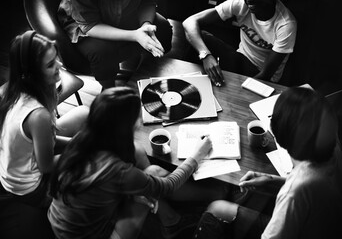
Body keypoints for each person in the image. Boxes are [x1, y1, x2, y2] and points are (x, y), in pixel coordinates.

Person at [48, 87, 229, 239]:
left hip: (63, 223)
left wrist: (134, 190)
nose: (140, 119)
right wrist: (197, 155)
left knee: (140, 157)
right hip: (90, 235)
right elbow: (166, 186)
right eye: (137, 116)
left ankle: (170, 220)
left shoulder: (84, 139)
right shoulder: (116, 171)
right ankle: (214, 195)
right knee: (154, 176)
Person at [192, 87, 342, 239]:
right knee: (250, 195)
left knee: (217, 209)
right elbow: (314, 186)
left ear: (280, 135)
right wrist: (270, 180)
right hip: (328, 223)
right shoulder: (331, 146)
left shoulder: (295, 190)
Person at [0, 31, 88, 208]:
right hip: (31, 187)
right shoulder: (38, 116)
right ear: (31, 73)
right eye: (50, 65)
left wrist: (74, 143)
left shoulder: (11, 90)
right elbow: (46, 166)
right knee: (91, 162)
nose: (59, 65)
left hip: (20, 161)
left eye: (56, 57)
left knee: (84, 112)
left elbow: (47, 139)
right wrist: (81, 151)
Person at [57, 0, 173, 89]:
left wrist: (145, 25)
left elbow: (147, 2)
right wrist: (135, 35)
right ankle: (109, 89)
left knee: (163, 28)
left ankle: (141, 69)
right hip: (87, 24)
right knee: (102, 52)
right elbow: (89, 26)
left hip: (125, 13)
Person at [182, 0, 297, 86]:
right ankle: (185, 86)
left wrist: (234, 91)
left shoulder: (286, 25)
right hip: (240, 59)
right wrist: (205, 55)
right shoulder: (241, 4)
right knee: (201, 38)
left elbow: (266, 75)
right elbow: (189, 22)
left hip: (260, 75)